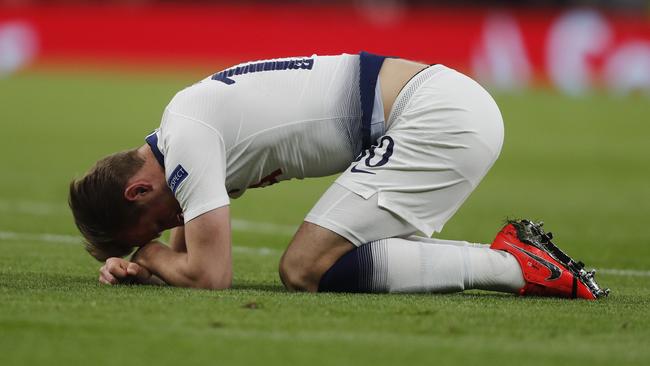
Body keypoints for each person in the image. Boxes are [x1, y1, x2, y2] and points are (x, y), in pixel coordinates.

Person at [68, 52, 607, 299]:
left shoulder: (185, 138)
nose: (166, 229)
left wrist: (148, 256)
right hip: (444, 105)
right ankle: (518, 263)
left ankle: (516, 266)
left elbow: (210, 275)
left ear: (139, 189)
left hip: (437, 115)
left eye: (153, 225)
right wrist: (159, 263)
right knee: (326, 262)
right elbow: (190, 246)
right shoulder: (182, 131)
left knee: (304, 267)